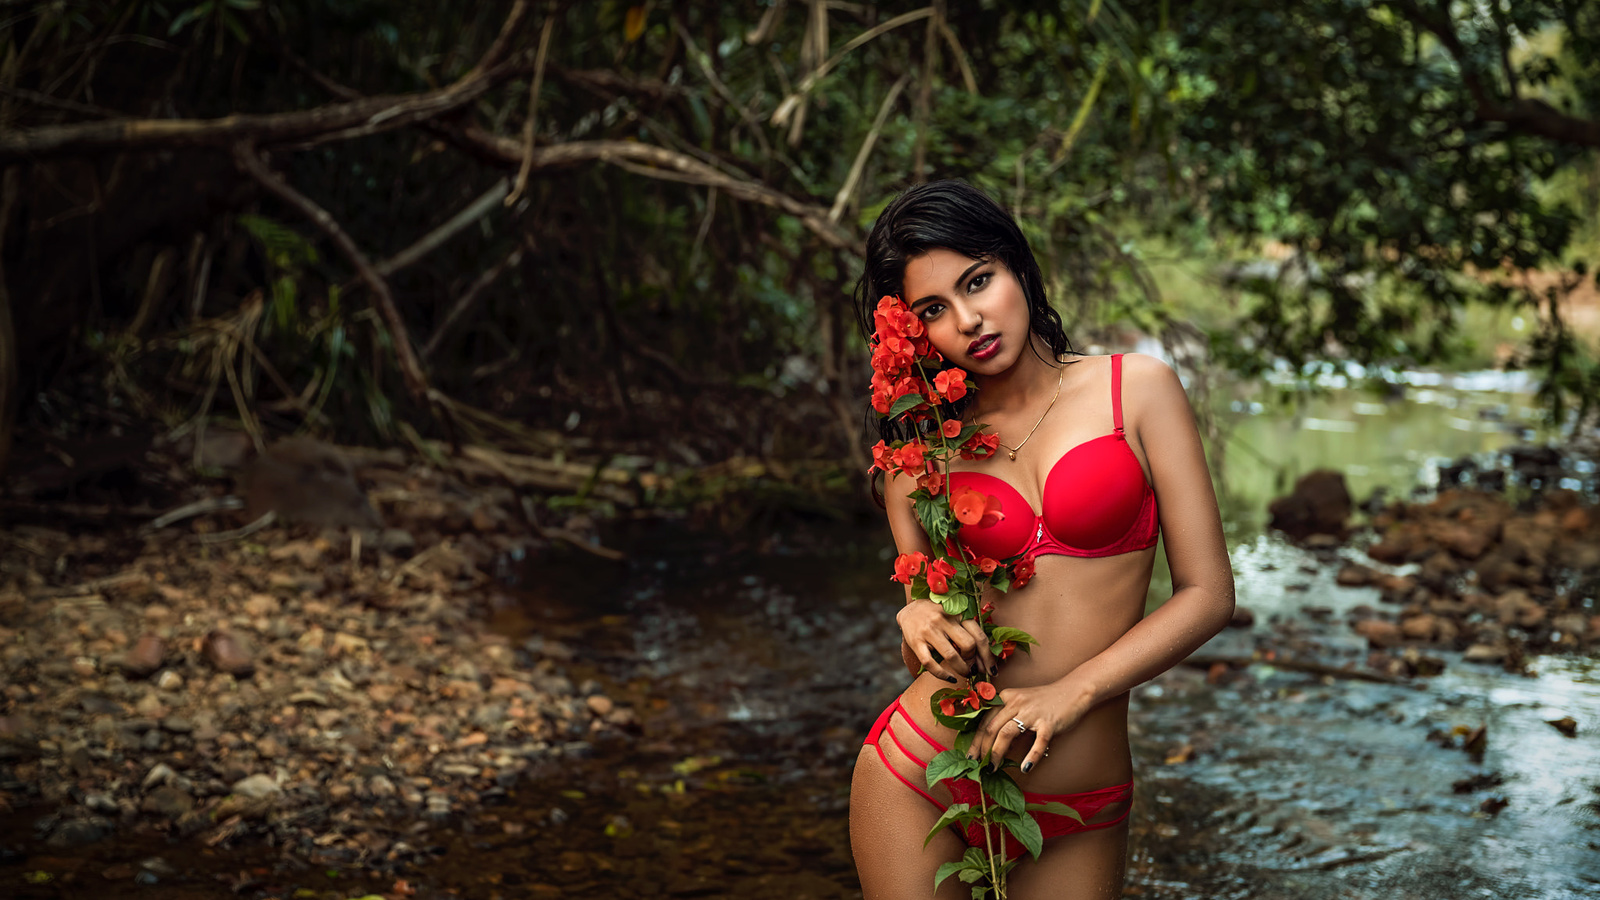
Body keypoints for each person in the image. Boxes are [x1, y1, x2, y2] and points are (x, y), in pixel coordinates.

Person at [848, 181, 1235, 899]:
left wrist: (1069, 693)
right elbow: (930, 645)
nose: (968, 319)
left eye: (978, 281)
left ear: (1017, 266)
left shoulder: (1136, 392)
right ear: (913, 329)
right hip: (924, 776)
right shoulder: (921, 459)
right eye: (934, 309)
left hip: (1078, 802)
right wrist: (916, 616)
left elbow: (1209, 596)